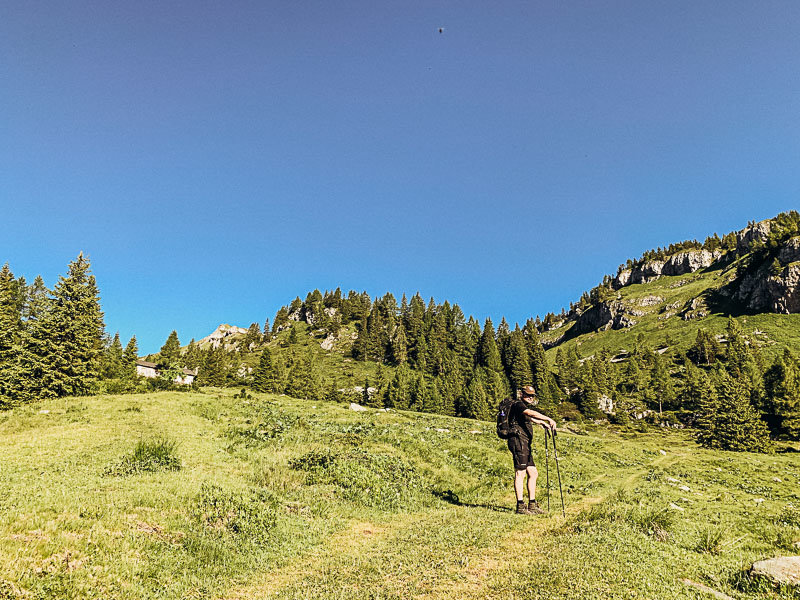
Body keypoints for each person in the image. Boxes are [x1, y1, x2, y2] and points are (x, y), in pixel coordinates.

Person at [507, 385, 557, 515]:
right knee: (520, 473)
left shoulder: (521, 407)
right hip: (518, 442)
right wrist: (548, 418)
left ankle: (532, 504)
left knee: (533, 473)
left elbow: (527, 417)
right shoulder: (518, 404)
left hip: (525, 444)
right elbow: (529, 413)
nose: (530, 397)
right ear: (522, 394)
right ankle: (520, 506)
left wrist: (541, 423)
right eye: (528, 394)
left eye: (532, 395)